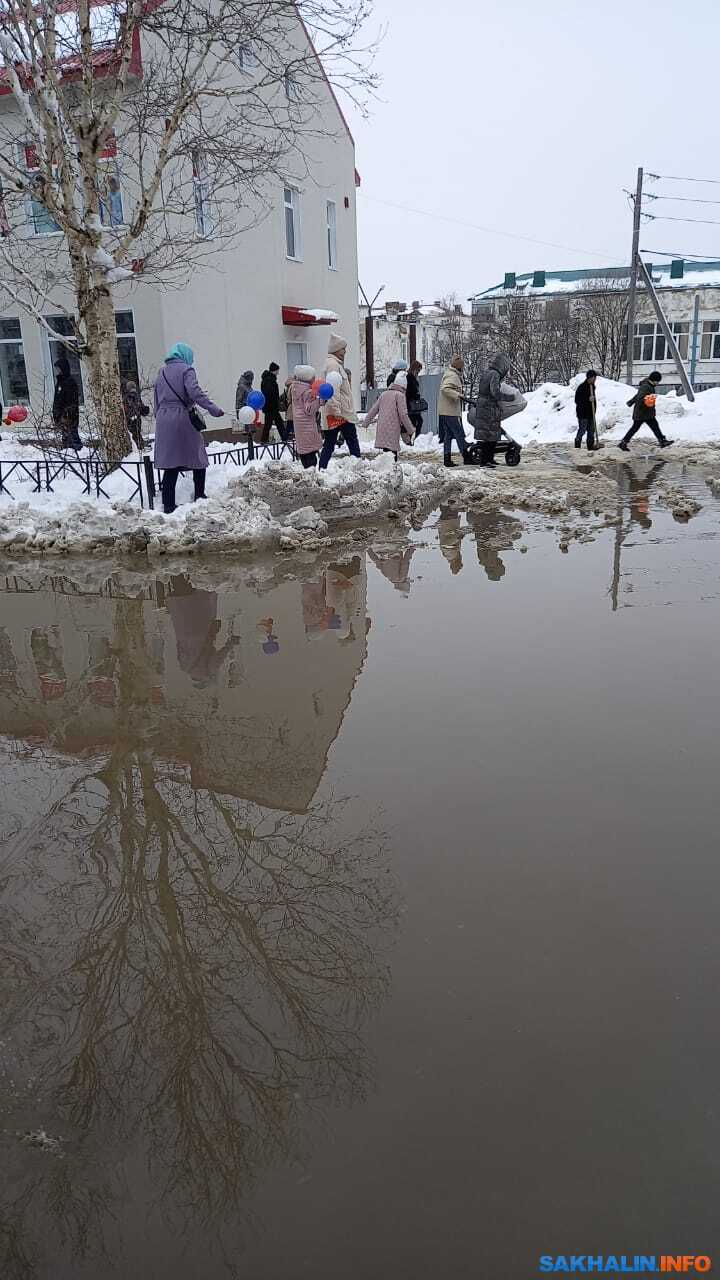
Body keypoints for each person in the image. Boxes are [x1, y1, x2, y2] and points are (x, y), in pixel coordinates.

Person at [153, 342, 224, 514]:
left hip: (163, 419)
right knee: (198, 456)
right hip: (182, 417)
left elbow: (155, 398)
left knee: (171, 463)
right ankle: (199, 495)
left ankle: (168, 505)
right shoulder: (186, 370)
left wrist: (160, 416)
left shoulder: (161, 372)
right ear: (185, 356)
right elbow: (195, 392)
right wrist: (213, 408)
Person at [320, 334, 361, 469]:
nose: (345, 352)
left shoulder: (334, 364)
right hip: (340, 413)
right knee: (351, 440)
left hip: (338, 411)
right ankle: (358, 466)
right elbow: (333, 389)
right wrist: (337, 411)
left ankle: (322, 468)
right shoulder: (333, 365)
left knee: (330, 443)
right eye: (343, 349)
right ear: (336, 349)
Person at [472, 352, 515, 467]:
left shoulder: (487, 373)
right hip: (488, 409)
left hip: (484, 407)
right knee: (489, 437)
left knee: (490, 437)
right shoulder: (495, 374)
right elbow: (495, 392)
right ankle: (485, 461)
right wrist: (509, 398)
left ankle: (489, 459)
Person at [362, 370, 415, 461]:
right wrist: (410, 430)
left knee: (386, 454)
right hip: (392, 428)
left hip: (382, 427)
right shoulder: (400, 396)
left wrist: (365, 423)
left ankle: (386, 471)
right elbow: (403, 415)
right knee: (392, 454)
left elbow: (373, 410)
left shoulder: (384, 394)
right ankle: (392, 472)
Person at [619, 371, 673, 451]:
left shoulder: (648, 385)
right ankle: (623, 443)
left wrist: (631, 402)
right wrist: (647, 401)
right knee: (636, 428)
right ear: (654, 380)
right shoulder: (646, 386)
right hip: (642, 412)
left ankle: (662, 441)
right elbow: (640, 397)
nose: (658, 383)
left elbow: (638, 395)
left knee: (654, 426)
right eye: (657, 381)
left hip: (646, 412)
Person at [290, 364, 323, 469]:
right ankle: (311, 476)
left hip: (299, 428)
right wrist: (320, 400)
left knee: (304, 453)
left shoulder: (295, 389)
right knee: (311, 456)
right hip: (308, 427)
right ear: (308, 378)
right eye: (313, 377)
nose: (315, 379)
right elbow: (309, 410)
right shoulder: (308, 392)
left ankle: (307, 473)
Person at [438, 355, 468, 467]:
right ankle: (467, 456)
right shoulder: (452, 376)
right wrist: (458, 395)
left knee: (448, 435)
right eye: (462, 367)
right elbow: (445, 389)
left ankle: (447, 459)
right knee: (459, 433)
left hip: (445, 411)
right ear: (459, 367)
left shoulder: (451, 374)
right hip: (449, 411)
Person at [52, 355, 82, 450]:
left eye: (59, 368)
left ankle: (77, 451)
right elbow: (58, 399)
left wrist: (66, 414)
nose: (58, 371)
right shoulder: (60, 382)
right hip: (61, 415)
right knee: (66, 437)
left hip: (68, 416)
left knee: (72, 435)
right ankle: (68, 451)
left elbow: (72, 401)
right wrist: (57, 414)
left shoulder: (69, 382)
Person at [260, 361, 289, 443]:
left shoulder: (267, 379)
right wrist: (275, 404)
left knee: (275, 424)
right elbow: (270, 394)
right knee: (271, 424)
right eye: (277, 371)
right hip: (271, 407)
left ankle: (284, 438)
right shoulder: (270, 380)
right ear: (274, 370)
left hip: (269, 406)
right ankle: (264, 440)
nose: (278, 373)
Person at [123, 379, 150, 451]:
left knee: (137, 434)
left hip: (136, 420)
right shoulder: (126, 398)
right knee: (134, 436)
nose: (133, 390)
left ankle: (140, 448)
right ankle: (138, 449)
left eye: (134, 388)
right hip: (131, 421)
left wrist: (144, 410)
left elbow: (140, 408)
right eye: (132, 388)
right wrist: (131, 416)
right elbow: (126, 410)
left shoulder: (136, 397)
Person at [574, 370, 599, 451]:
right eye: (594, 377)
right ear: (589, 378)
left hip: (591, 413)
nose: (595, 379)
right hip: (583, 413)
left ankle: (590, 446)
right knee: (582, 430)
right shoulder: (581, 387)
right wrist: (588, 399)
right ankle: (577, 445)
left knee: (591, 430)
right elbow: (577, 400)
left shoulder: (592, 387)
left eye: (595, 378)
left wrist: (594, 410)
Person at [406, 360, 424, 436]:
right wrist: (416, 395)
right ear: (414, 369)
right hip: (410, 405)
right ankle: (413, 438)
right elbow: (409, 392)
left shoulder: (413, 378)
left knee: (418, 421)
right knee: (414, 422)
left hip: (414, 405)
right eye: (418, 370)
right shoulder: (409, 378)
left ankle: (414, 438)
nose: (418, 372)